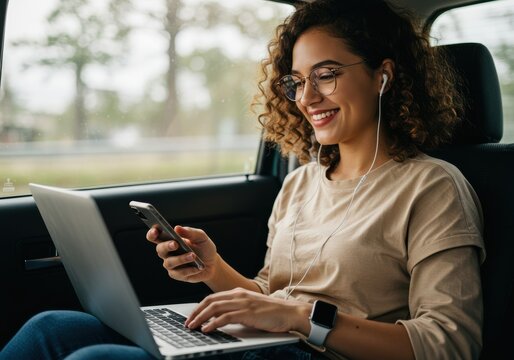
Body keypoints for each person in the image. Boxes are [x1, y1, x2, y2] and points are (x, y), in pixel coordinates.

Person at [1, 0, 485, 359]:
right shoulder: (299, 184)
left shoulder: (433, 188)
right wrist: (213, 270)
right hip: (264, 347)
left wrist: (300, 318)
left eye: (328, 74)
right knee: (49, 328)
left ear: (383, 76)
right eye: (297, 81)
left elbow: (450, 342)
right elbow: (271, 297)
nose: (307, 97)